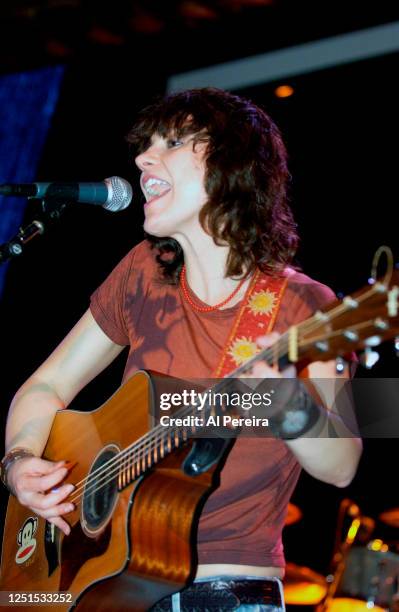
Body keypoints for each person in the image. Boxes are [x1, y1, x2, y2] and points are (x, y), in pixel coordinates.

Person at [1, 87, 362, 611]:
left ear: (232, 167)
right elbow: (46, 385)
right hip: (101, 583)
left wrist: (286, 403)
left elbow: (343, 463)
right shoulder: (143, 272)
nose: (144, 158)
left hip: (226, 591)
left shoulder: (306, 306)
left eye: (171, 142)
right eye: (145, 147)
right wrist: (19, 463)